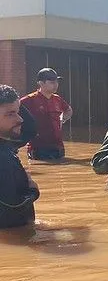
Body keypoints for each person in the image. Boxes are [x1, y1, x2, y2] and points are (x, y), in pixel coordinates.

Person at [0, 85, 40, 228]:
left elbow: (31, 129)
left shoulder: (6, 144)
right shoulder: (3, 156)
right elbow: (11, 208)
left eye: (17, 112)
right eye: (10, 114)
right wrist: (33, 191)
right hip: (14, 234)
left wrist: (14, 102)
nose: (20, 119)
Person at [20, 67, 73, 160]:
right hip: (39, 149)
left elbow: (68, 110)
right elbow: (13, 111)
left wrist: (63, 119)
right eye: (52, 82)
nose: (55, 85)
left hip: (58, 147)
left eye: (56, 82)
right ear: (41, 83)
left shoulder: (57, 99)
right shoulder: (29, 100)